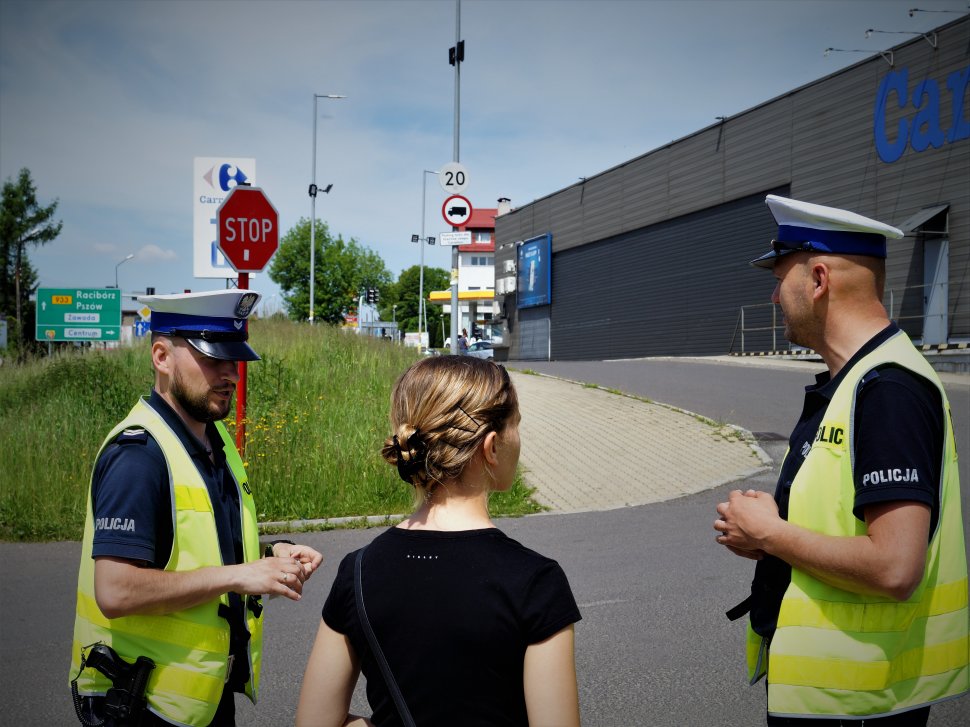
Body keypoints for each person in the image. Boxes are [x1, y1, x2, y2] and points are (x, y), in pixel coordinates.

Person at [714, 195, 968, 725]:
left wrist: (770, 534)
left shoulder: (887, 390)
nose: (773, 296)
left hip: (860, 703)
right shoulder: (855, 381)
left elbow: (895, 567)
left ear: (819, 279)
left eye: (780, 279)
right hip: (843, 698)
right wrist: (770, 534)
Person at [69, 289, 323, 727]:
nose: (230, 374)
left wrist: (269, 557)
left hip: (198, 701)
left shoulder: (212, 438)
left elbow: (193, 546)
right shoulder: (139, 455)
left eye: (234, 360)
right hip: (143, 704)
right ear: (161, 357)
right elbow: (115, 590)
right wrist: (239, 576)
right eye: (211, 358)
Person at [296, 356, 581, 727]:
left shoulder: (359, 571)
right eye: (516, 425)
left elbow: (314, 722)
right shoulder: (535, 581)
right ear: (491, 447)